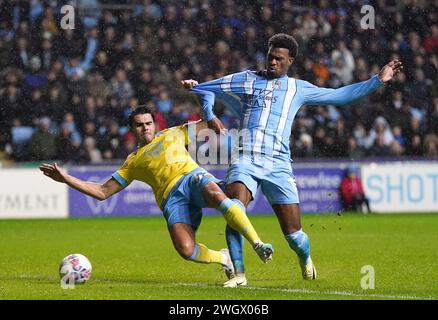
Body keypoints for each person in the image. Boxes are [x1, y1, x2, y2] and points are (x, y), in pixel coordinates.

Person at [182, 33, 403, 287]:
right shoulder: (246, 79)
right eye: (270, 57)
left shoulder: (298, 88)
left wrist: (378, 80)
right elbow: (208, 88)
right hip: (245, 159)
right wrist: (203, 102)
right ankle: (240, 275)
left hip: (278, 164)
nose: (272, 62)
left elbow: (340, 95)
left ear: (290, 61)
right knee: (234, 208)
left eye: (278, 59)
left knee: (294, 236)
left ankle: (305, 257)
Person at [40, 106, 273, 282]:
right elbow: (102, 192)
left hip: (191, 177)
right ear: (133, 130)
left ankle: (257, 243)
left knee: (216, 194)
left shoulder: (174, 133)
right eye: (140, 125)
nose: (146, 127)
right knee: (186, 250)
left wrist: (205, 99)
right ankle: (225, 258)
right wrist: (66, 179)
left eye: (149, 123)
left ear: (155, 123)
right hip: (171, 199)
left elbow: (210, 123)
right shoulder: (133, 162)